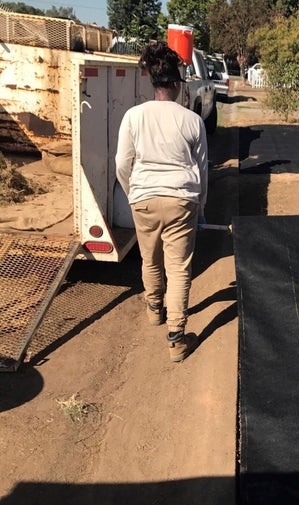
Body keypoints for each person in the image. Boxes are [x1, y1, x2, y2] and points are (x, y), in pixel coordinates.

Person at [115, 41, 208, 362]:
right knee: (179, 269)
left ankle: (155, 309)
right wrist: (201, 206)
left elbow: (121, 163)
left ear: (154, 82)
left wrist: (133, 194)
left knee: (150, 259)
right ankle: (176, 339)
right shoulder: (192, 121)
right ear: (177, 84)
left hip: (143, 197)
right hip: (182, 199)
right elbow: (202, 170)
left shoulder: (133, 116)